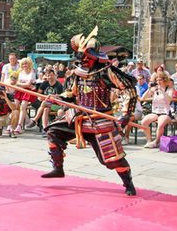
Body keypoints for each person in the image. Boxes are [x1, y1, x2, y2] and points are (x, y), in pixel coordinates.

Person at [41, 27, 138, 196]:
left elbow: (129, 89)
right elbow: (71, 94)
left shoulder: (105, 72)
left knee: (110, 160)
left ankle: (128, 182)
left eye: (85, 56)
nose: (82, 59)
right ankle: (58, 168)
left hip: (100, 119)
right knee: (53, 131)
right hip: (79, 116)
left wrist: (126, 113)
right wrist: (58, 98)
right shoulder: (77, 74)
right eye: (81, 56)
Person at [141, 72, 175, 148]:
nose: (158, 82)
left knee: (160, 124)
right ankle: (149, 140)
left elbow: (169, 100)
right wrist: (149, 89)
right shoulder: (154, 89)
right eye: (157, 80)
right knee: (144, 122)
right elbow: (143, 98)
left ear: (164, 80)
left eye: (160, 80)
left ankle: (157, 141)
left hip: (165, 112)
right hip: (155, 111)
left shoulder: (169, 89)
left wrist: (162, 91)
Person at [26, 69, 63, 136]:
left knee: (44, 103)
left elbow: (60, 99)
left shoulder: (59, 85)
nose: (50, 77)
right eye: (48, 75)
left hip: (56, 106)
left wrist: (52, 97)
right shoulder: (45, 83)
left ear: (54, 75)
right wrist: (44, 97)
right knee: (45, 109)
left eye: (51, 75)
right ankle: (45, 129)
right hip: (47, 105)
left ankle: (34, 120)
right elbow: (39, 94)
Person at [13, 57, 37, 135]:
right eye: (23, 64)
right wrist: (25, 84)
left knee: (23, 107)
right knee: (15, 106)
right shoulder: (20, 72)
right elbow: (20, 83)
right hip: (21, 91)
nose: (24, 65)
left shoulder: (32, 72)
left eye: (26, 63)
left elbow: (28, 84)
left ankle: (19, 125)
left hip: (28, 92)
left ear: (29, 64)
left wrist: (22, 84)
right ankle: (26, 121)